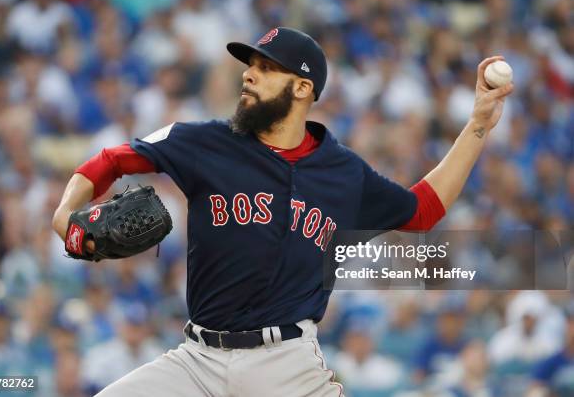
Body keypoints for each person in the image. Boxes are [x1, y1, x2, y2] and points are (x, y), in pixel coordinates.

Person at [52, 27, 514, 396]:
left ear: (302, 87)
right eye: (250, 65)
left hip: (286, 366)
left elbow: (422, 210)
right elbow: (111, 161)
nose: (249, 75)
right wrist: (66, 213)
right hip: (197, 361)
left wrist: (476, 125)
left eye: (266, 67)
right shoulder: (204, 142)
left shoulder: (343, 173)